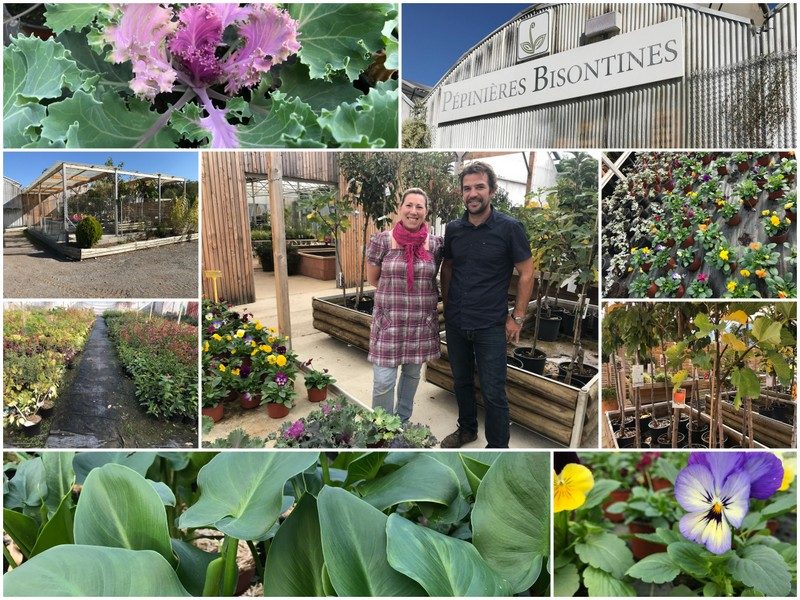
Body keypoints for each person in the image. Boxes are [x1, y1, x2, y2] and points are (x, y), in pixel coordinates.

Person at [440, 161, 534, 448]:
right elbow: (447, 267)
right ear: (461, 194)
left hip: (491, 325)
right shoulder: (454, 229)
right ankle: (467, 429)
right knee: (461, 382)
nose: (473, 193)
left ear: (492, 190)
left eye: (479, 186)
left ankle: (498, 448)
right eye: (467, 188)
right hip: (457, 322)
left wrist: (517, 318)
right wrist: (447, 305)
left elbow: (527, 272)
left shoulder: (510, 228)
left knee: (494, 391)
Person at [366, 188, 444, 423]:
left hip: (420, 324)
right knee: (383, 381)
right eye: (409, 205)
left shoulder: (435, 245)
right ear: (400, 209)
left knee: (411, 375)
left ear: (426, 212)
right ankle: (381, 427)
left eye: (419, 207)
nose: (413, 211)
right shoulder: (382, 241)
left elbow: (434, 276)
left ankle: (401, 421)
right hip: (390, 322)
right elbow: (373, 279)